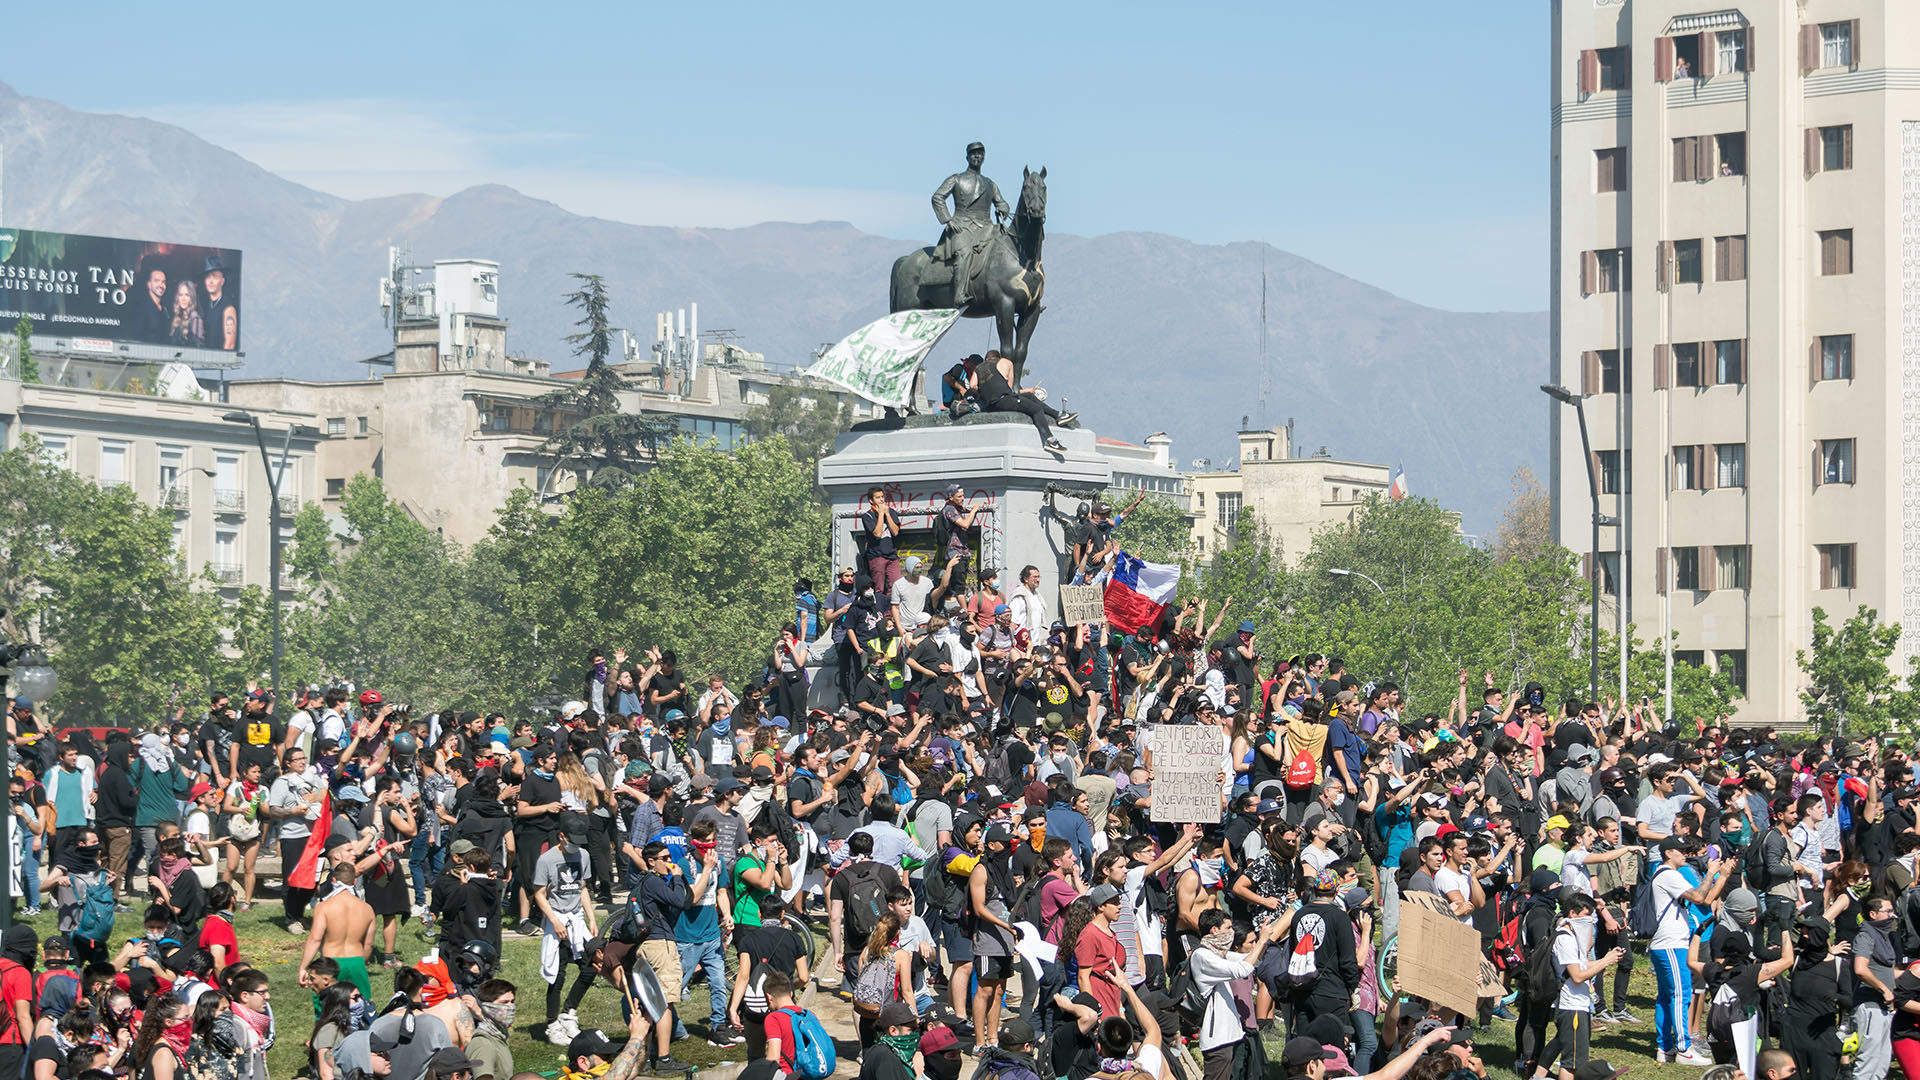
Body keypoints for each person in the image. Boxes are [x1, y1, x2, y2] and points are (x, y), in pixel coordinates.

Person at [1648, 836, 1733, 1065]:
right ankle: (1684, 1049)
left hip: (1667, 944)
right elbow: (1699, 897)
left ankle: (1665, 1047)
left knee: (1667, 997)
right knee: (1681, 995)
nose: (1685, 854)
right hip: (1671, 944)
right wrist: (1711, 873)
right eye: (1680, 850)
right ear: (1668, 853)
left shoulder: (1664, 874)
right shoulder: (1669, 875)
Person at [533, 815, 598, 1046]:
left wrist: (591, 918)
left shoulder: (583, 855)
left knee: (591, 966)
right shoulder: (546, 860)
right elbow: (539, 894)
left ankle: (569, 1011)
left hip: (577, 919)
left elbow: (582, 888)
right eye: (572, 841)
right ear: (562, 836)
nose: (576, 846)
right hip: (557, 919)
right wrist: (554, 920)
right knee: (556, 975)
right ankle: (552, 1024)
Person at [298, 862, 378, 1001]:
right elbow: (369, 944)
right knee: (360, 1007)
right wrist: (361, 963)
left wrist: (303, 967)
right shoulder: (367, 909)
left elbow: (315, 939)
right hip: (356, 961)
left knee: (327, 1009)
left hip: (330, 963)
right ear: (354, 881)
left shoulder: (324, 907)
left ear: (334, 880)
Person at [974, 349, 1072, 452]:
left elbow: (972, 385)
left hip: (990, 404)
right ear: (998, 358)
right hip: (1003, 400)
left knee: (1029, 396)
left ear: (986, 359)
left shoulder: (978, 368)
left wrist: (984, 391)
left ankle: (1058, 415)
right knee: (1037, 409)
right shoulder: (1006, 362)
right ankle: (1050, 440)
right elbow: (1009, 389)